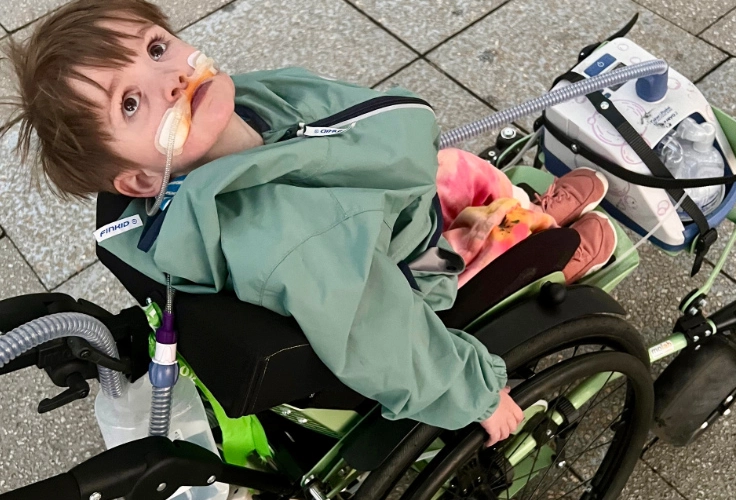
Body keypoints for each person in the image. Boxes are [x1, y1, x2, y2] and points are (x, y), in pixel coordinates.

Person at [0, 0, 615, 447]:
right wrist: (473, 394)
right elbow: (377, 330)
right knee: (485, 227)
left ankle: (512, 200)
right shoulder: (289, 237)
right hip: (410, 262)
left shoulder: (231, 118)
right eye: (131, 102)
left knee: (463, 173)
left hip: (382, 204)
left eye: (156, 48)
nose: (172, 78)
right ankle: (542, 235)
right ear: (140, 182)